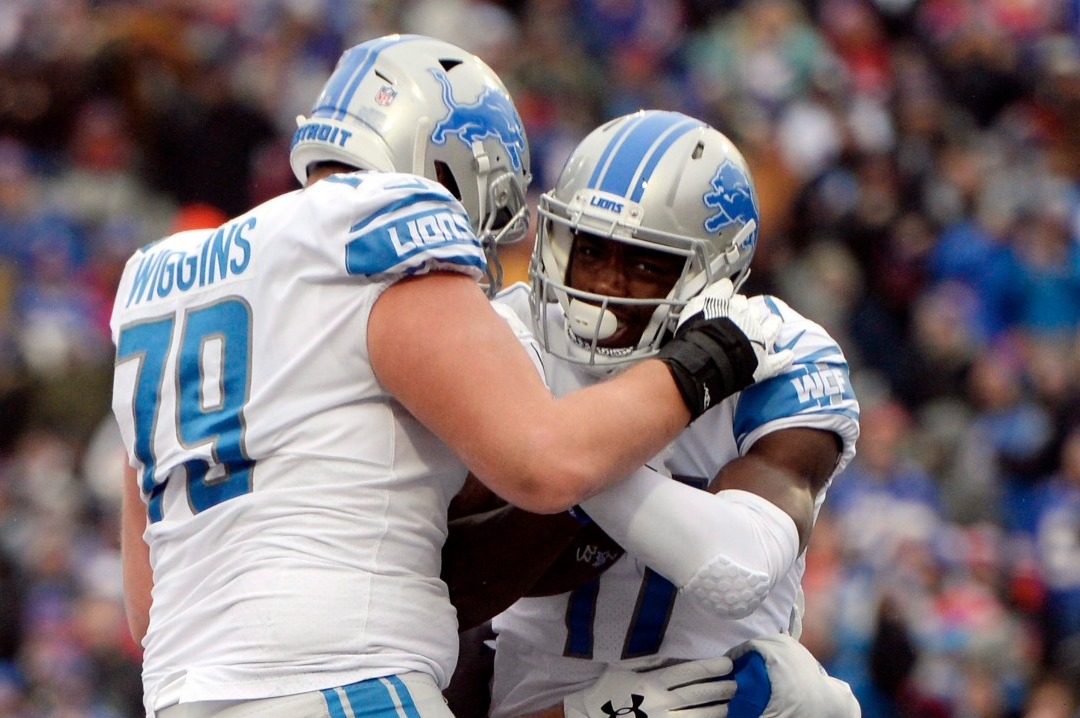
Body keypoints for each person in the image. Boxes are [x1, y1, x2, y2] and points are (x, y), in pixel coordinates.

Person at [110, 38, 788, 718]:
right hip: (348, 683)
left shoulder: (156, 278)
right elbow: (544, 462)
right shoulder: (381, 216)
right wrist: (704, 363)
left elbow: (147, 606)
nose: (479, 243)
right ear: (441, 163)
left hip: (183, 696)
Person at [441, 110, 863, 718]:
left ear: (713, 273)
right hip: (536, 700)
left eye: (644, 264)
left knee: (799, 696)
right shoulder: (513, 332)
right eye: (589, 250)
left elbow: (739, 570)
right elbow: (446, 583)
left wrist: (555, 450)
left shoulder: (778, 352)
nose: (604, 286)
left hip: (714, 696)